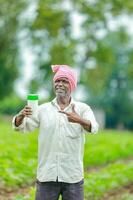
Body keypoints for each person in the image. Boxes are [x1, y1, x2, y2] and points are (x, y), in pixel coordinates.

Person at [12, 65, 99, 200]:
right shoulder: (42, 109)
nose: (59, 84)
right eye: (57, 81)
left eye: (64, 81)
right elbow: (22, 127)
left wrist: (79, 120)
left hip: (72, 177)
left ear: (72, 85)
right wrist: (21, 116)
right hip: (47, 175)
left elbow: (94, 127)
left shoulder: (82, 109)